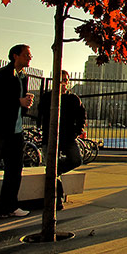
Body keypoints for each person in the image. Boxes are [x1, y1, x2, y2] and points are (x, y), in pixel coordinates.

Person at [0, 44, 34, 218]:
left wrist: (25, 103)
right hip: (0, 129)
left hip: (16, 130)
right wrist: (18, 101)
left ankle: (9, 206)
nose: (29, 57)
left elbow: (20, 101)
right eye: (26, 54)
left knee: (15, 169)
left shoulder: (23, 77)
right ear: (15, 56)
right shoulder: (1, 75)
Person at [37, 70, 86, 210]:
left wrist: (78, 130)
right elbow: (41, 113)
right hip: (50, 137)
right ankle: (56, 199)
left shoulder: (73, 99)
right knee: (52, 167)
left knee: (76, 159)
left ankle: (56, 170)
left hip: (68, 137)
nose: (64, 82)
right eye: (61, 79)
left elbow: (81, 115)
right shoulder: (48, 97)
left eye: (66, 79)